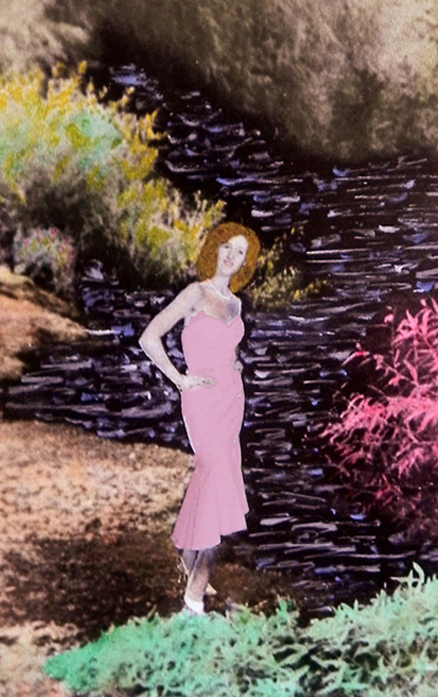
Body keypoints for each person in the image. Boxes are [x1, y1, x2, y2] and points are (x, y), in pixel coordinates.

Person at [139, 221, 261, 614]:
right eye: (227, 247)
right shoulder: (195, 293)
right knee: (212, 479)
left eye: (240, 252)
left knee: (214, 483)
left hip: (232, 400)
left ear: (245, 263)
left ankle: (191, 567)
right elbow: (149, 337)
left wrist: (236, 364)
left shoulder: (236, 304)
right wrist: (179, 379)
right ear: (215, 248)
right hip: (202, 400)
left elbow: (229, 350)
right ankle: (194, 598)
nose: (231, 256)